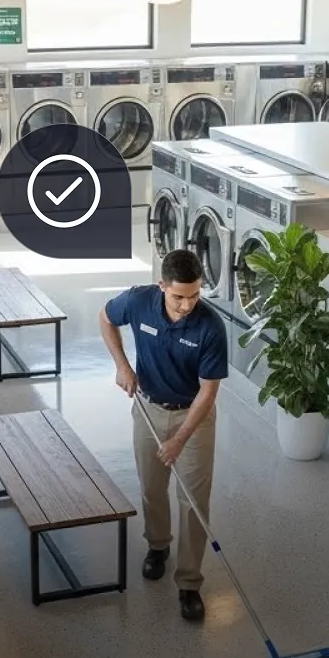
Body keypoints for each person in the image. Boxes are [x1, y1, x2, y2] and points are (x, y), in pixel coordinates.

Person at [99, 250, 228, 622]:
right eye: (179, 297)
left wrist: (180, 439)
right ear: (162, 288)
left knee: (193, 501)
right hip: (149, 408)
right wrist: (123, 366)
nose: (188, 305)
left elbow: (208, 392)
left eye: (195, 295)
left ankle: (189, 582)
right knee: (152, 488)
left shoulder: (210, 327)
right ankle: (157, 546)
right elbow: (105, 318)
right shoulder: (139, 301)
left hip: (194, 417)